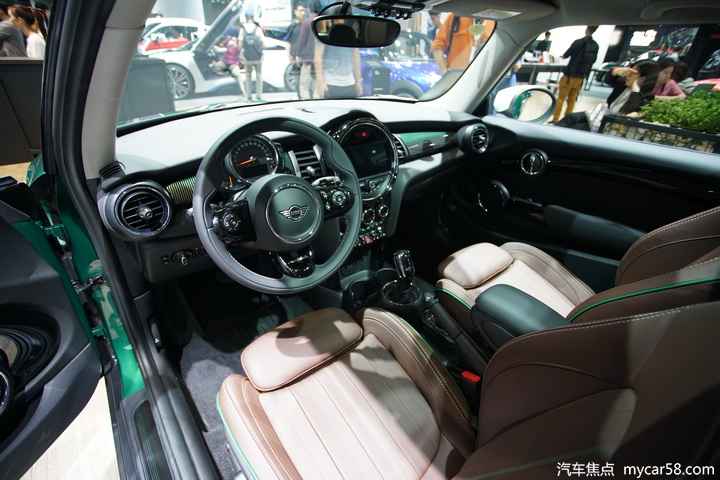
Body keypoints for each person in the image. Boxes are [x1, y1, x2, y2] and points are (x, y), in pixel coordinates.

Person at [552, 25, 599, 123]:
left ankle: (555, 119)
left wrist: (562, 56)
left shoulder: (578, 42)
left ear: (587, 29)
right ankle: (567, 121)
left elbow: (566, 55)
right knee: (572, 99)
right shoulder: (595, 45)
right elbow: (593, 60)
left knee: (561, 99)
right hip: (580, 77)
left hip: (569, 75)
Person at [314, 18, 362, 99]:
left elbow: (356, 59)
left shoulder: (350, 34)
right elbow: (318, 58)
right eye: (337, 19)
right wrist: (320, 81)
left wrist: (358, 81)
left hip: (350, 83)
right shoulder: (325, 35)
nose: (339, 20)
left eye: (342, 18)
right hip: (330, 83)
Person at [294, 1, 319, 99]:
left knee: (304, 84)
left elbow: (302, 41)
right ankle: (317, 100)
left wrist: (298, 55)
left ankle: (306, 101)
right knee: (316, 82)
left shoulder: (306, 22)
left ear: (309, 9)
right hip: (319, 59)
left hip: (307, 59)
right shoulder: (322, 22)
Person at [238, 12, 265, 102]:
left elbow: (240, 44)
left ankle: (249, 97)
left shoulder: (242, 29)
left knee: (248, 76)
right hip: (257, 56)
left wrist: (241, 54)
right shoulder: (258, 28)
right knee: (259, 75)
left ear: (245, 17)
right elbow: (263, 43)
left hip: (247, 57)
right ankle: (259, 96)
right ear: (253, 17)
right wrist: (261, 52)